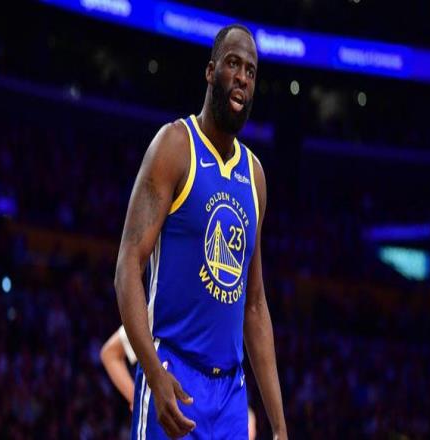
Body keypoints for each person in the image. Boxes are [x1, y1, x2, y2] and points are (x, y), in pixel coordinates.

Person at [115, 23, 287, 439]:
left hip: (231, 396)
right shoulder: (175, 146)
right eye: (233, 64)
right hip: (173, 372)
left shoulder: (255, 176)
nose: (242, 77)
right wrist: (153, 372)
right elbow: (128, 267)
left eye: (250, 70)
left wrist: (280, 428)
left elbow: (254, 304)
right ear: (211, 72)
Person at [100, 326, 258, 439]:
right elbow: (110, 354)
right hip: (168, 427)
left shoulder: (224, 316)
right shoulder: (162, 309)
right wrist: (139, 399)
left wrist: (244, 415)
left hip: (211, 423)